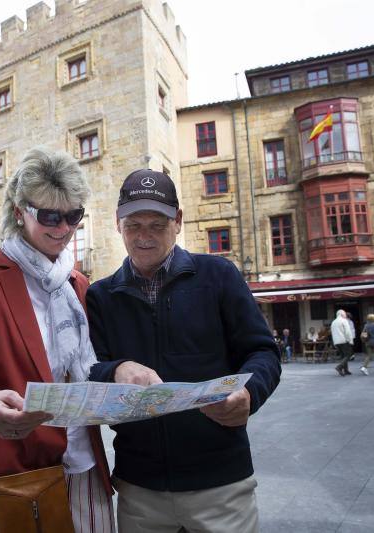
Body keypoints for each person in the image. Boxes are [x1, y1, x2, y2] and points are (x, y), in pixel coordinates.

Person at [86, 169, 281, 532]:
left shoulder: (218, 276)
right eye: (133, 225)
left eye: (157, 225)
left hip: (221, 486)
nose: (144, 237)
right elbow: (89, 369)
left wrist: (249, 393)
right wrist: (116, 369)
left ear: (178, 221)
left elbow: (263, 352)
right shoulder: (100, 296)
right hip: (138, 489)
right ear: (117, 224)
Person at [0, 147, 115, 533]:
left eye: (73, 216)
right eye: (49, 216)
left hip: (83, 464)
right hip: (9, 473)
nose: (63, 229)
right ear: (19, 212)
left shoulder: (77, 284)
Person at [331, 309, 354, 376]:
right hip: (344, 340)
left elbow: (333, 333)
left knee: (343, 356)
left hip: (337, 342)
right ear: (341, 314)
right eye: (344, 314)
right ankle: (339, 367)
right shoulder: (344, 321)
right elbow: (348, 332)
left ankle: (346, 370)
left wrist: (334, 342)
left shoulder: (333, 322)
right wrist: (350, 340)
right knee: (348, 355)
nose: (345, 315)